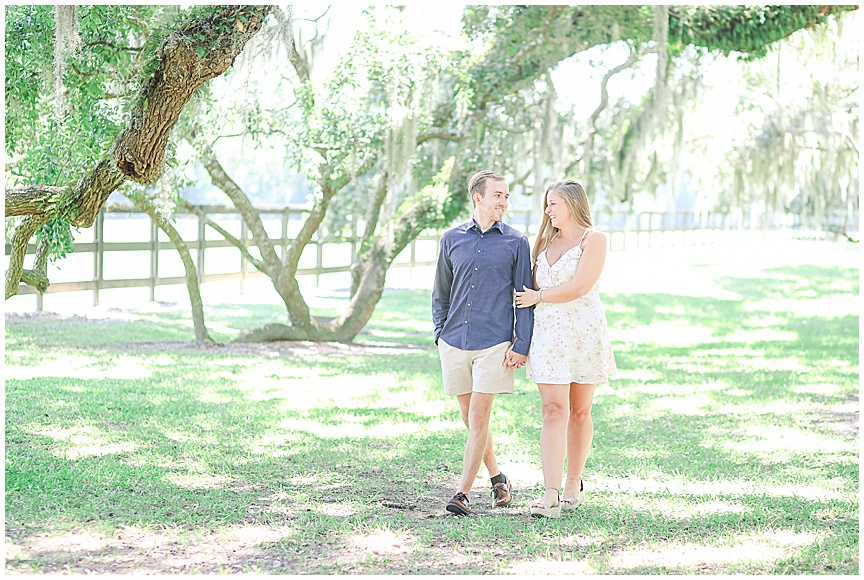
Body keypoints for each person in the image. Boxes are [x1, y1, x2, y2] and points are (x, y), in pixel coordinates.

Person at [432, 170, 535, 516]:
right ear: (478, 198)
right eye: (498, 196)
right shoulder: (451, 239)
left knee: (478, 416)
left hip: (494, 342)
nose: (504, 202)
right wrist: (439, 333)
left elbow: (524, 297)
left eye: (506, 196)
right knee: (469, 416)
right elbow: (440, 293)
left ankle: (462, 493)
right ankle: (497, 477)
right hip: (455, 340)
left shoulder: (516, 242)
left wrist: (521, 343)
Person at [514, 180, 617, 518]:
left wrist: (538, 296)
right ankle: (550, 494)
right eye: (547, 204)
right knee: (553, 410)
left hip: (583, 334)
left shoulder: (594, 239)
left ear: (571, 204)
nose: (547, 210)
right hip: (547, 336)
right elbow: (526, 285)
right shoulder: (544, 242)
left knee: (580, 411)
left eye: (553, 204)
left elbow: (580, 285)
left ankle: (574, 481)